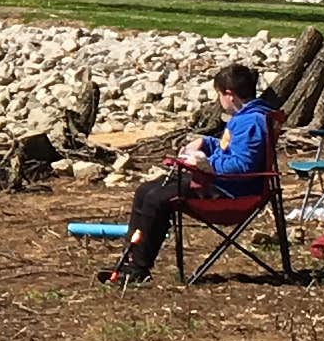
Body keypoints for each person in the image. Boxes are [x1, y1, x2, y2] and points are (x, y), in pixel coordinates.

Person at [105, 65, 269, 284]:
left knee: (157, 199)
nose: (219, 99)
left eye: (219, 94)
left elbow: (242, 165)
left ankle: (138, 268)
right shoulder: (245, 118)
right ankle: (129, 260)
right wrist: (206, 142)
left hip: (230, 191)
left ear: (229, 94)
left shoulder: (252, 122)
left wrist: (205, 164)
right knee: (145, 190)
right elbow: (228, 148)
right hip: (219, 183)